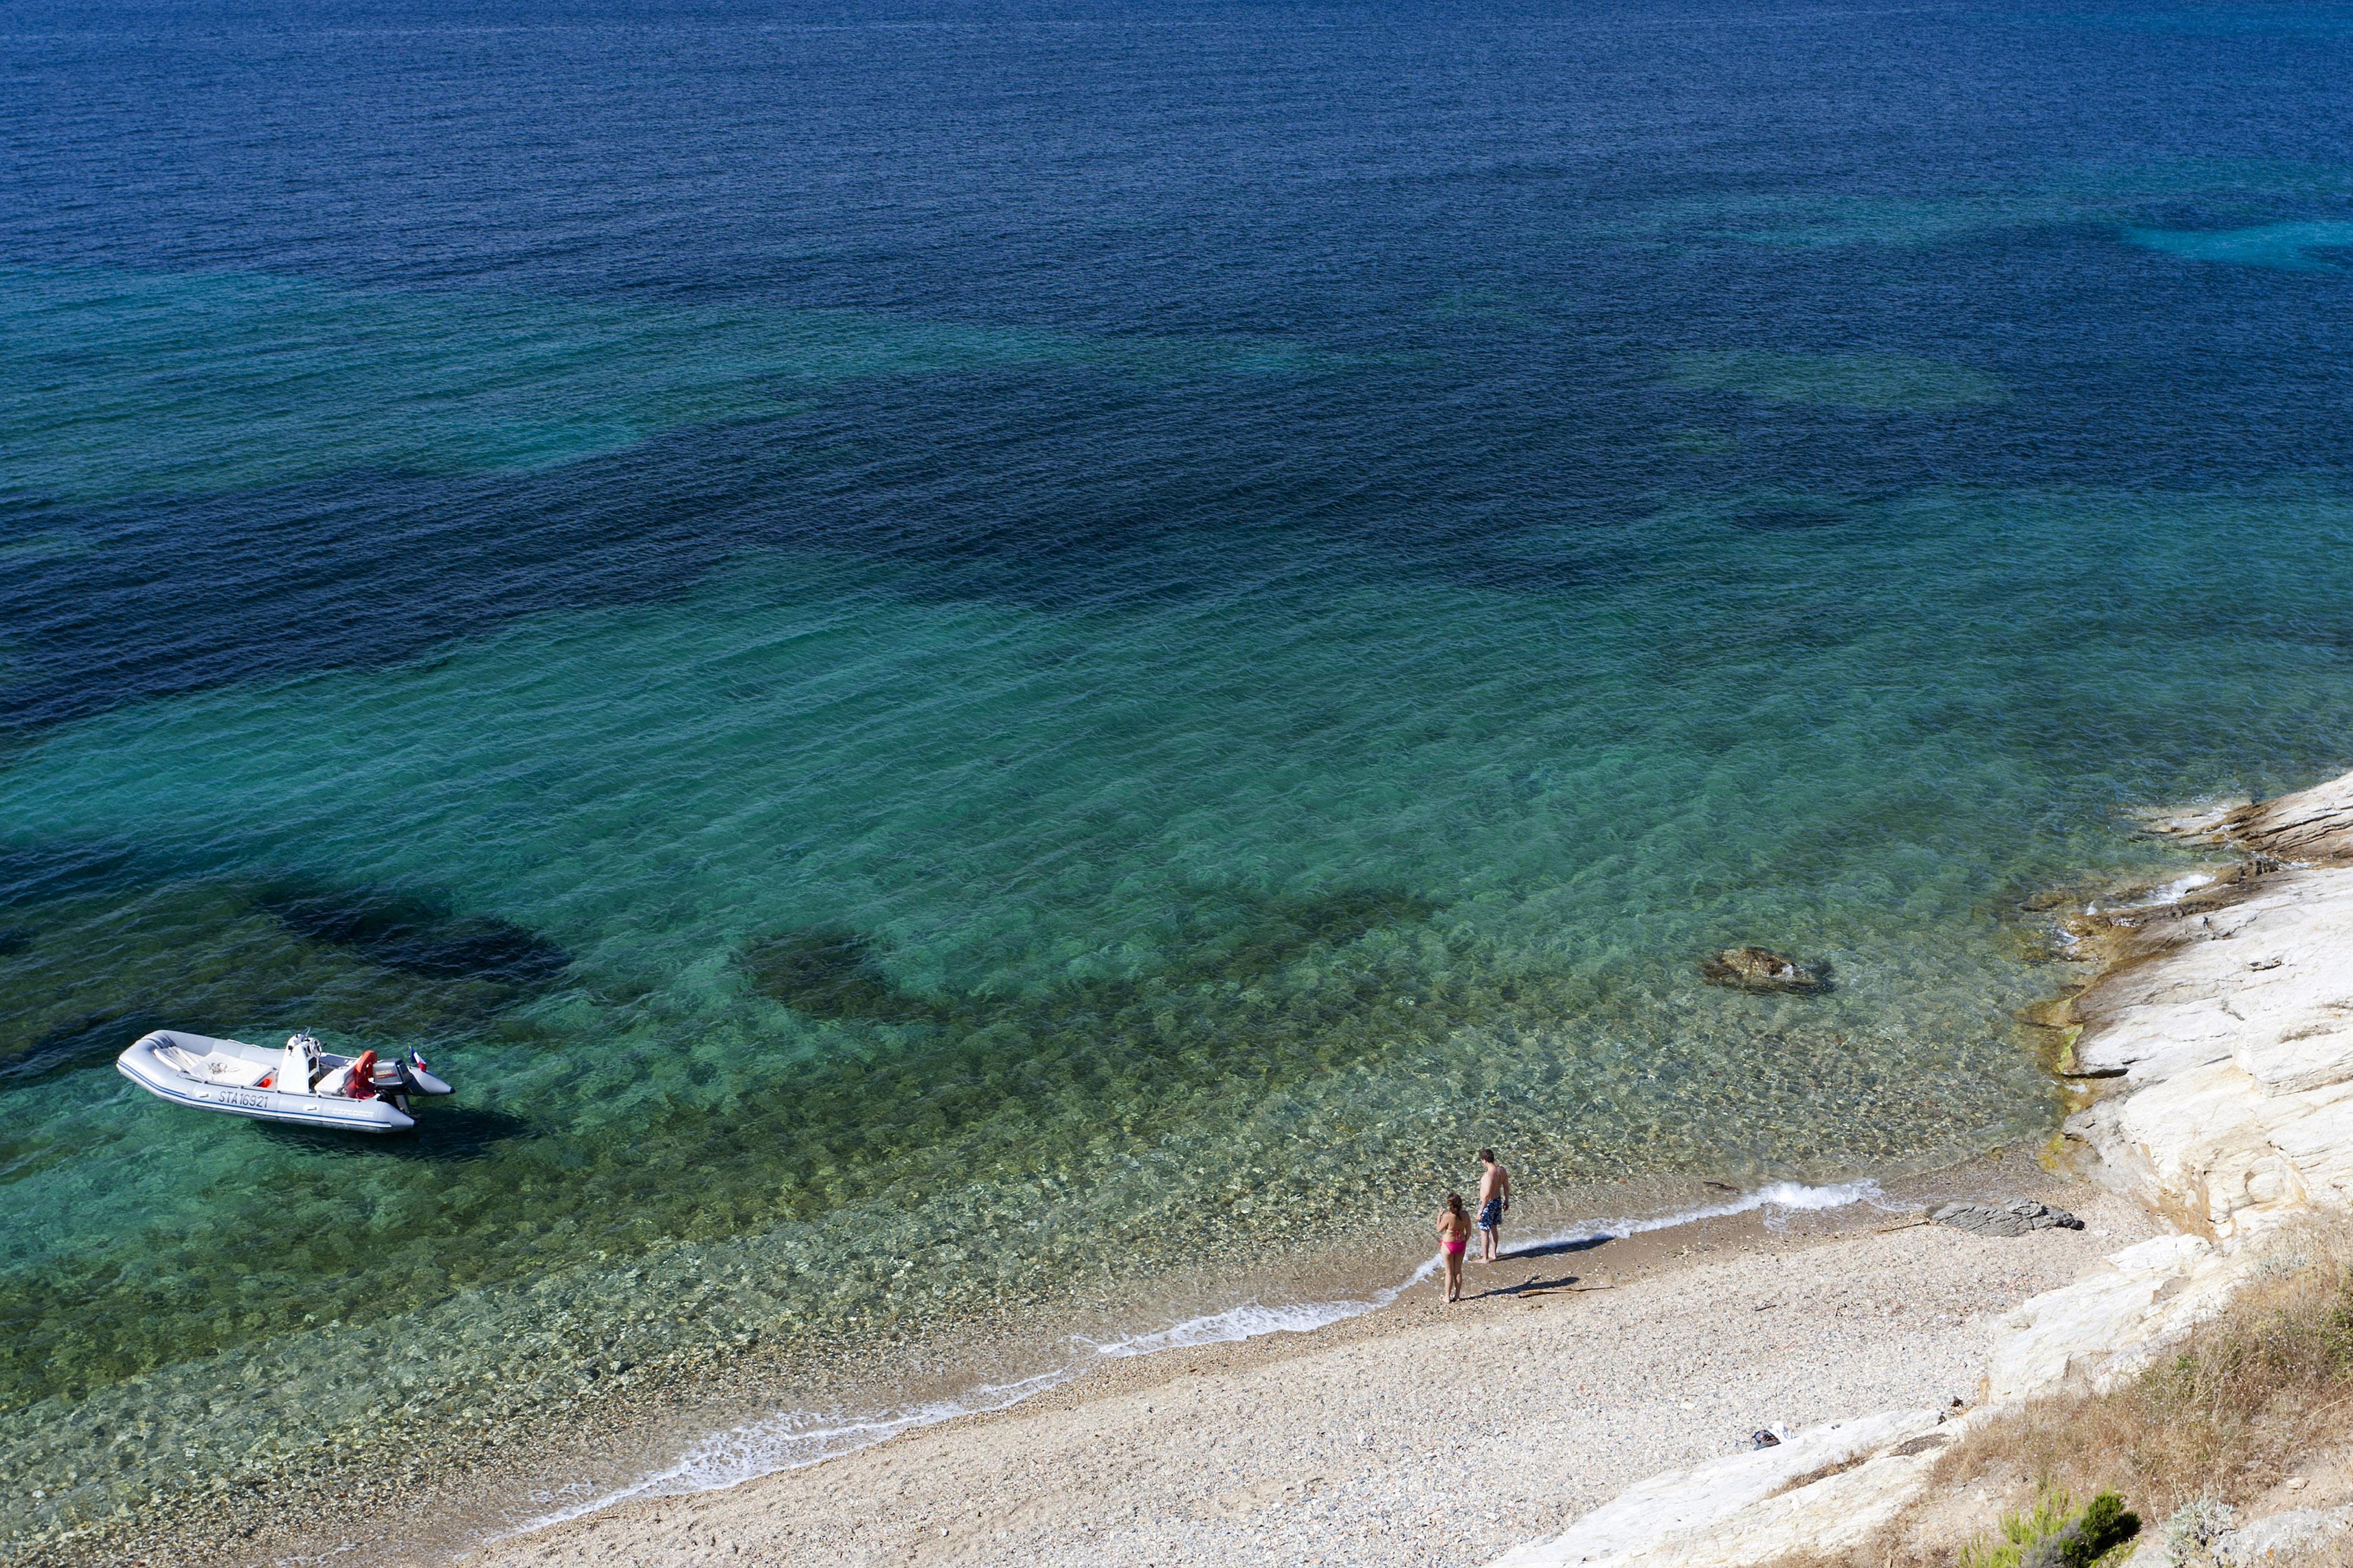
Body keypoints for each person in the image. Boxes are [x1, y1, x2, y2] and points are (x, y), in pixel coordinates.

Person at [1475, 1148, 1511, 1263]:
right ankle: (1493, 1254)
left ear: (1484, 1160)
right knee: (1494, 1228)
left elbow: (1485, 1196)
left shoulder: (1488, 1176)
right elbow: (1506, 1187)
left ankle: (1485, 1258)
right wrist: (1507, 1201)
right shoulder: (1502, 1171)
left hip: (1488, 1205)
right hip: (1497, 1201)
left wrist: (1480, 1211)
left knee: (1484, 1231)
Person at [1435, 1193, 1470, 1304]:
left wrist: (1439, 1216)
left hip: (1448, 1245)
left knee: (1449, 1272)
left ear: (1450, 1204)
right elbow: (1469, 1232)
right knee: (1458, 1271)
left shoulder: (1447, 1216)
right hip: (1461, 1244)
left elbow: (1438, 1229)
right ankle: (1458, 1296)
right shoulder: (1466, 1215)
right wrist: (1463, 1242)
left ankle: (1447, 1297)